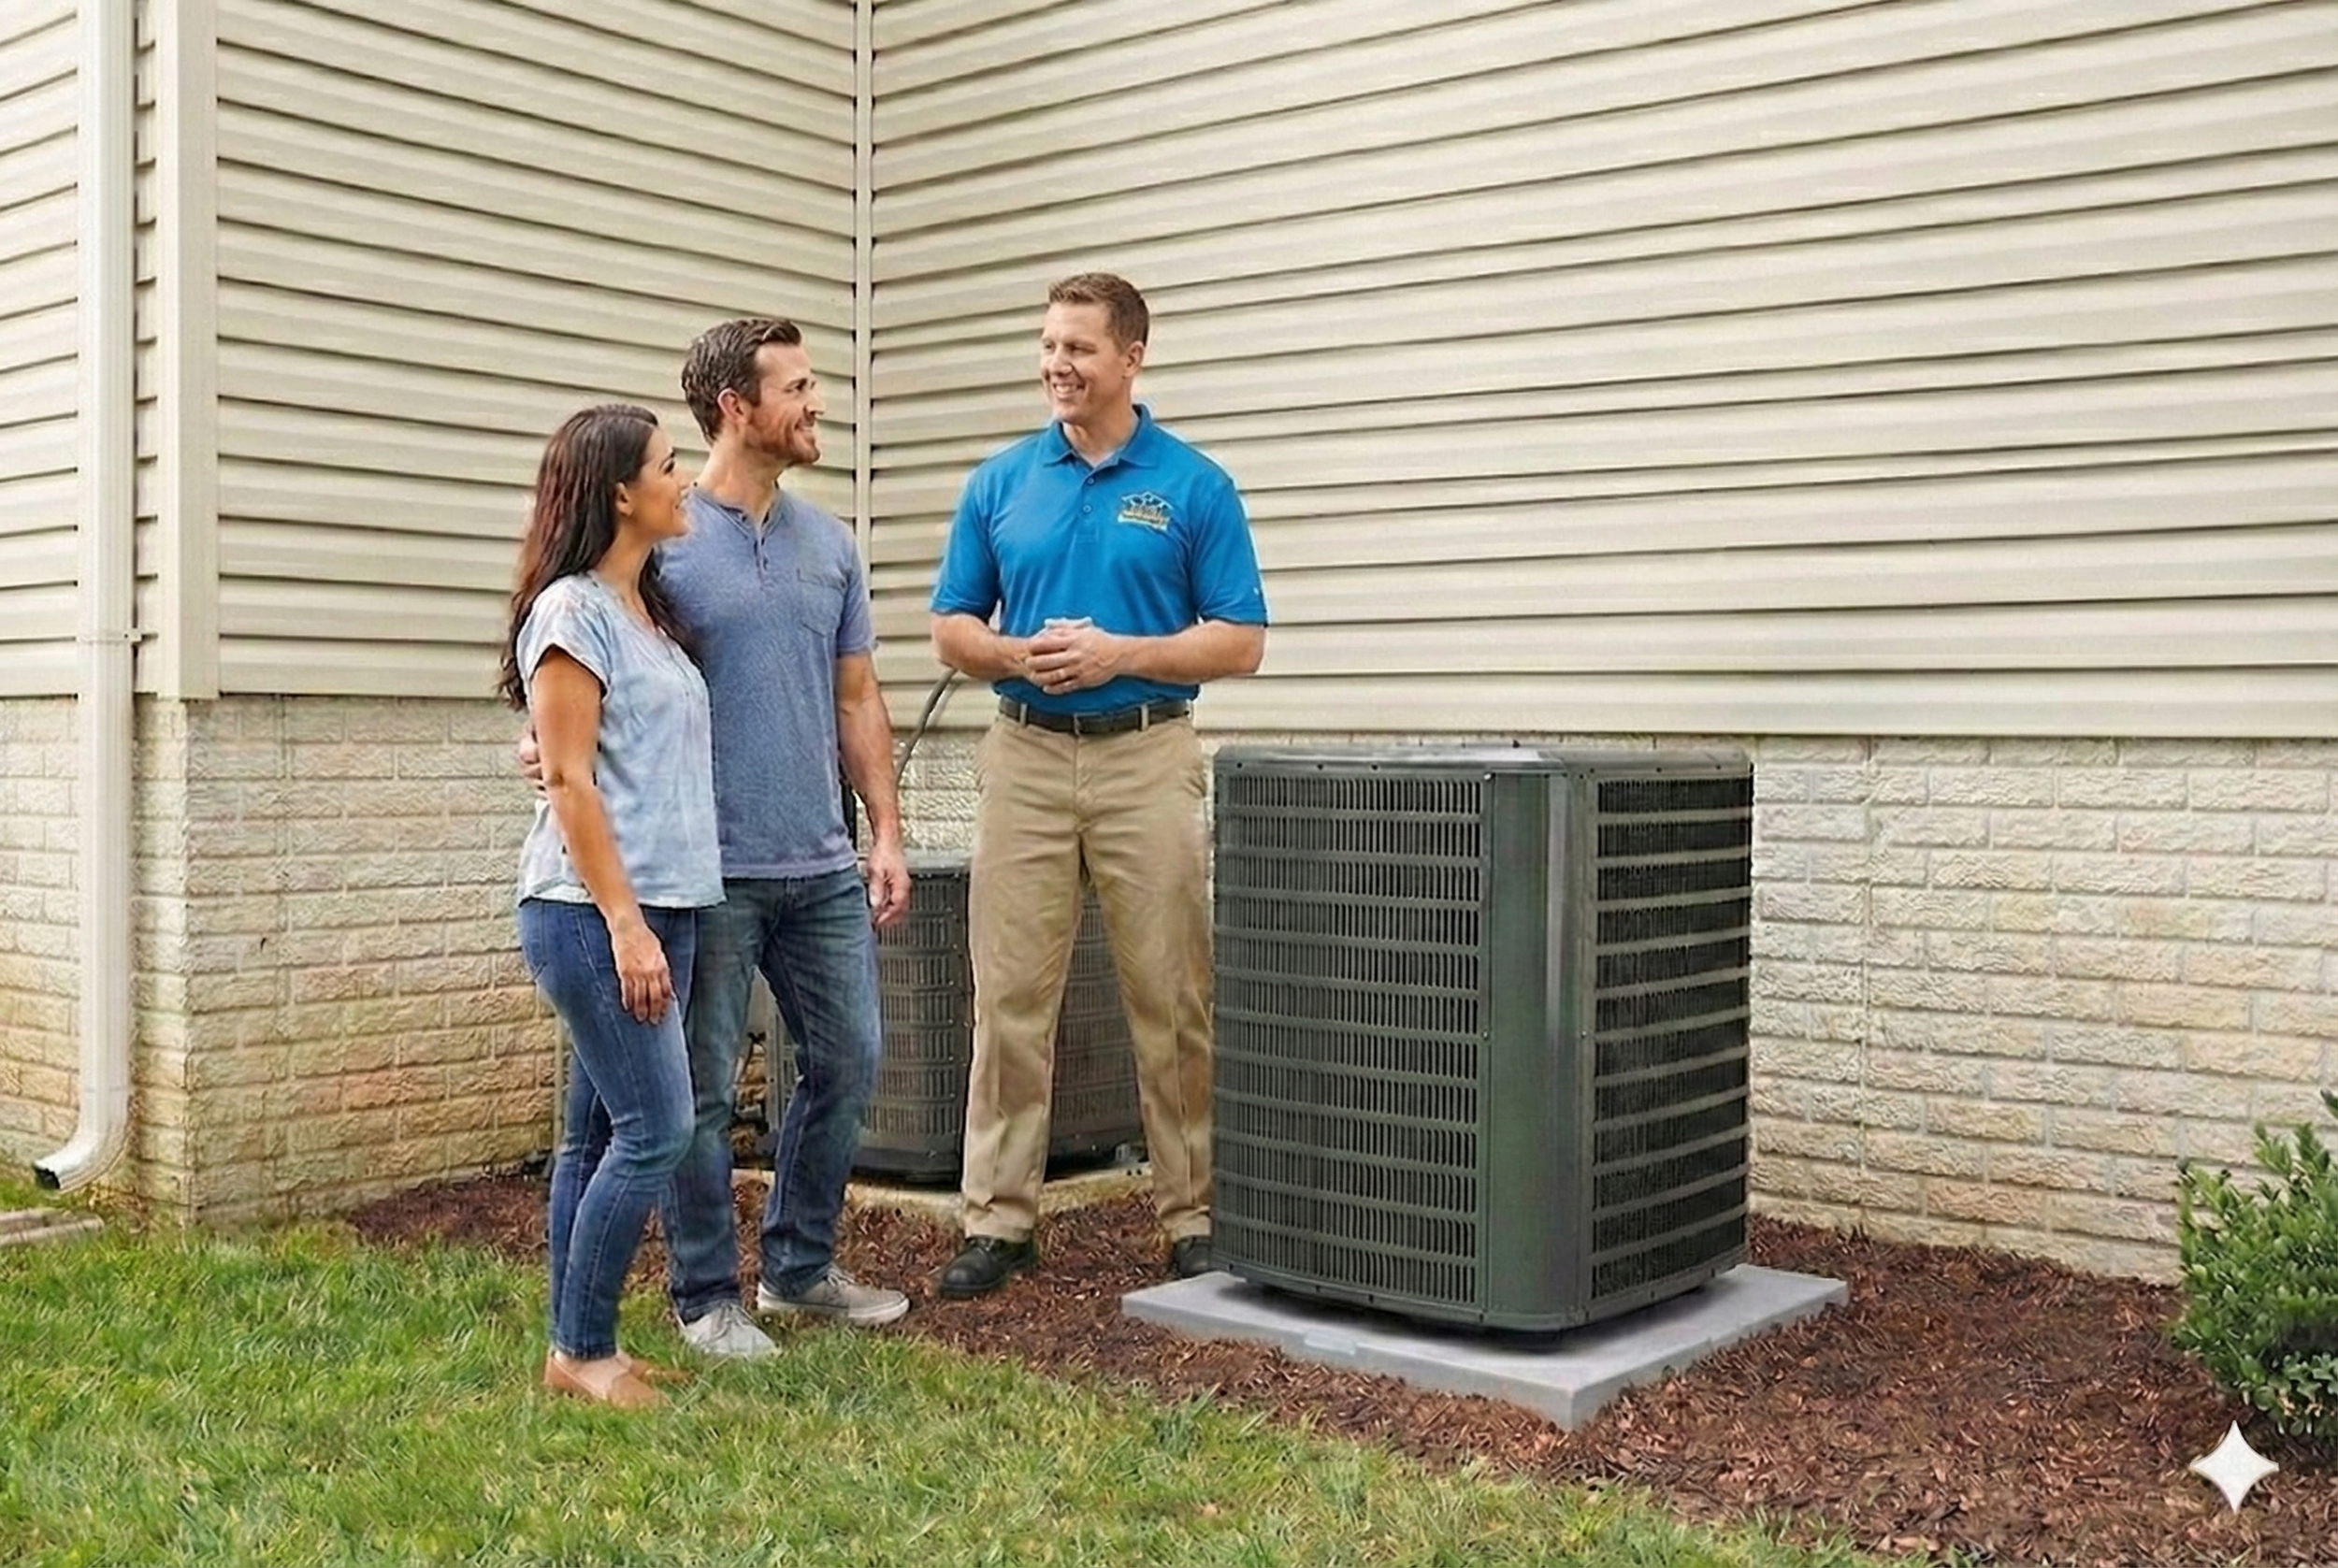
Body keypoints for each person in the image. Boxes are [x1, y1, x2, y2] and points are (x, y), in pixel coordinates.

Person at [520, 319, 914, 1361]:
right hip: (705, 876)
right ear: (736, 406)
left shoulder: (830, 546)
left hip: (819, 862)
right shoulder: (664, 536)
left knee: (849, 1061)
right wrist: (552, 751)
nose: (818, 401)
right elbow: (583, 669)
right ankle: (706, 1296)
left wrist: (885, 830)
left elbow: (858, 694)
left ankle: (797, 1267)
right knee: (688, 1101)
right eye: (798, 386)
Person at [927, 272, 1269, 1298]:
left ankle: (1192, 1213)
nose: (1056, 365)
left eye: (1077, 348)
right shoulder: (998, 483)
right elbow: (951, 627)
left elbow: (1241, 641)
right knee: (1009, 998)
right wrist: (1011, 655)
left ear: (1131, 357)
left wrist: (1120, 652)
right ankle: (998, 1221)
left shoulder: (1193, 487)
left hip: (1147, 756)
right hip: (1024, 755)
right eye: (1046, 345)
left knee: (1170, 996)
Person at [501, 403, 720, 1409]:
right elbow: (572, 784)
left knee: (595, 1140)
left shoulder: (645, 612)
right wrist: (627, 925)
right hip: (594, 915)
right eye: (672, 467)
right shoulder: (572, 611)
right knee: (656, 1130)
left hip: (658, 903)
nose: (688, 482)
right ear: (621, 493)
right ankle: (581, 1351)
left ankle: (578, 1346)